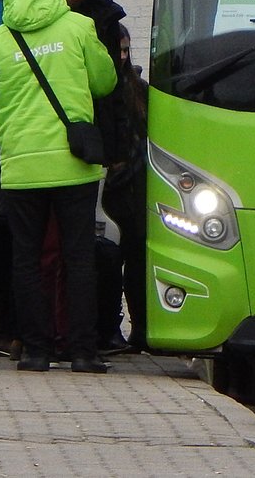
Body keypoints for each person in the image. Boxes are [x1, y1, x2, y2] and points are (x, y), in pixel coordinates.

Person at [0, 0, 117, 373]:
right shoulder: (79, 25)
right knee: (79, 257)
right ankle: (83, 352)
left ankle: (36, 351)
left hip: (21, 167)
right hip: (74, 164)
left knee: (27, 259)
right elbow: (105, 81)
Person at [53, 0, 134, 352]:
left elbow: (110, 92)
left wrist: (116, 149)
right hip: (54, 142)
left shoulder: (103, 17)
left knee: (93, 244)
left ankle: (96, 329)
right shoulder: (46, 11)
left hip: (90, 144)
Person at [98, 23, 147, 351]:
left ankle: (141, 327)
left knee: (138, 259)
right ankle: (109, 328)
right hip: (110, 187)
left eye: (127, 49)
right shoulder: (100, 87)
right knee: (110, 260)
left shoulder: (139, 89)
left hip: (139, 186)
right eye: (119, 49)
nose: (123, 56)